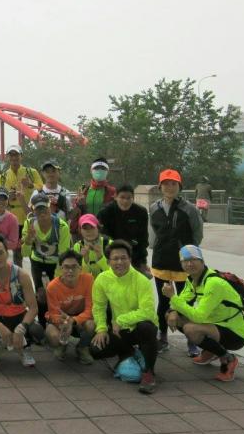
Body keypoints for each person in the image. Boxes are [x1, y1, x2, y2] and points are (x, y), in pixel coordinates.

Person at [164, 245, 244, 382]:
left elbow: (199, 316)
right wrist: (173, 311)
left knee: (191, 329)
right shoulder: (193, 279)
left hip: (234, 332)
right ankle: (211, 351)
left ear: (202, 261)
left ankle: (228, 358)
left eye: (193, 259)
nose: (189, 264)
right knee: (173, 317)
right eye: (185, 261)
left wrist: (172, 297)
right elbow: (182, 301)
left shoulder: (213, 283)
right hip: (214, 324)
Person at [90, 240, 159, 394]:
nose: (119, 262)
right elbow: (99, 307)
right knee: (95, 350)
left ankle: (149, 373)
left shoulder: (141, 280)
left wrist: (121, 320)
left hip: (139, 328)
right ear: (108, 261)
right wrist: (101, 329)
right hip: (119, 331)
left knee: (146, 327)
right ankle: (129, 353)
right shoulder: (102, 279)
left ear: (130, 259)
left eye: (123, 258)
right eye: (115, 259)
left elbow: (148, 312)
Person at [150, 168, 203, 354]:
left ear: (179, 186)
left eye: (174, 184)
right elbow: (154, 232)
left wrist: (190, 255)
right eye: (166, 184)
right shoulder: (154, 208)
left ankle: (191, 340)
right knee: (163, 302)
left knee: (186, 302)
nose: (169, 187)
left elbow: (197, 234)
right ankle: (163, 337)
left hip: (183, 264)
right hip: (161, 262)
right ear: (160, 187)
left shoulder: (190, 209)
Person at [0, 235, 43, 367]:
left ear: (7, 253)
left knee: (37, 331)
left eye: (0, 253)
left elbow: (33, 308)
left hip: (18, 315)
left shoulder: (22, 275)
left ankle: (25, 347)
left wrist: (21, 328)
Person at [22, 193, 72, 325]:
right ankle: (43, 324)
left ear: (50, 208)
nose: (42, 212)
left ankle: (58, 322)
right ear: (33, 210)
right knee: (41, 295)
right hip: (37, 263)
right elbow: (25, 253)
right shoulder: (29, 224)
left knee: (56, 293)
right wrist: (28, 239)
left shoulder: (62, 227)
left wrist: (54, 281)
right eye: (38, 209)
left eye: (44, 208)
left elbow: (63, 256)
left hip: (56, 263)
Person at [45, 250, 95, 364]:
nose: (70, 271)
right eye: (66, 267)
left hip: (80, 317)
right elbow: (53, 314)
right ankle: (62, 345)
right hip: (61, 318)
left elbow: (90, 310)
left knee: (91, 325)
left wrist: (73, 320)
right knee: (53, 336)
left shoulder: (89, 280)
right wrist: (65, 323)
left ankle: (82, 348)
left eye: (74, 267)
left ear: (80, 268)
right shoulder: (52, 287)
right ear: (60, 268)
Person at [97, 184, 150, 274]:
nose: (125, 201)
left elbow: (143, 239)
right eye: (122, 197)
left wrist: (142, 262)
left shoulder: (141, 212)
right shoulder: (105, 212)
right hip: (112, 256)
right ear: (115, 197)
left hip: (135, 256)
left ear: (133, 198)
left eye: (129, 198)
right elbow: (103, 238)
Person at [72, 158, 116, 232]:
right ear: (91, 171)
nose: (99, 170)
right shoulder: (83, 190)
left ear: (107, 171)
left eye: (103, 168)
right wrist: (78, 204)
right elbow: (73, 215)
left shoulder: (112, 192)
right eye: (96, 168)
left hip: (104, 231)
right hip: (85, 230)